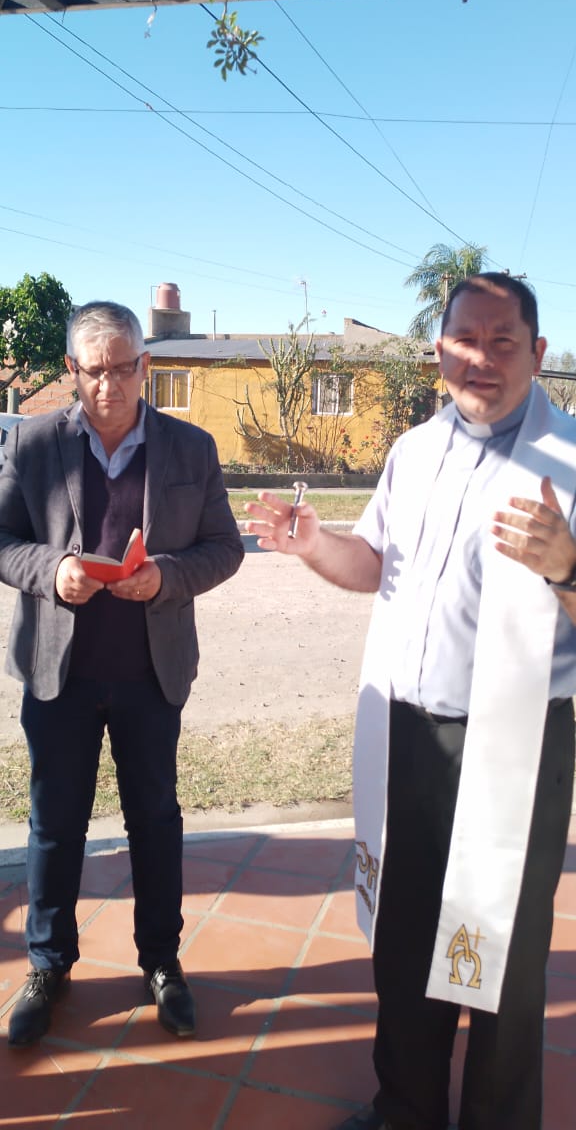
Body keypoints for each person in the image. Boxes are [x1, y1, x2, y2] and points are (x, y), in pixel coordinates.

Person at [245, 273, 576, 1130]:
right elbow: (374, 569)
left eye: (505, 341)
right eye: (465, 340)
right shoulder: (413, 452)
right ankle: (407, 1106)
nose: (483, 358)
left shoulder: (569, 463)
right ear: (438, 355)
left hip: (513, 747)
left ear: (539, 354)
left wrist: (568, 568)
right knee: (404, 939)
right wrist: (315, 544)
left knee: (497, 952)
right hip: (403, 735)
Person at [1, 300, 244, 1047]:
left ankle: (162, 960)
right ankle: (48, 963)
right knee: (54, 824)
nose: (110, 384)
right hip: (60, 673)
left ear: (145, 366)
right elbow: (4, 539)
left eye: (124, 367)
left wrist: (167, 575)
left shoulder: (191, 449)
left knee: (156, 820)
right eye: (94, 369)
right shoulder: (36, 443)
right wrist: (54, 569)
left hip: (150, 674)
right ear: (72, 371)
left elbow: (224, 549)